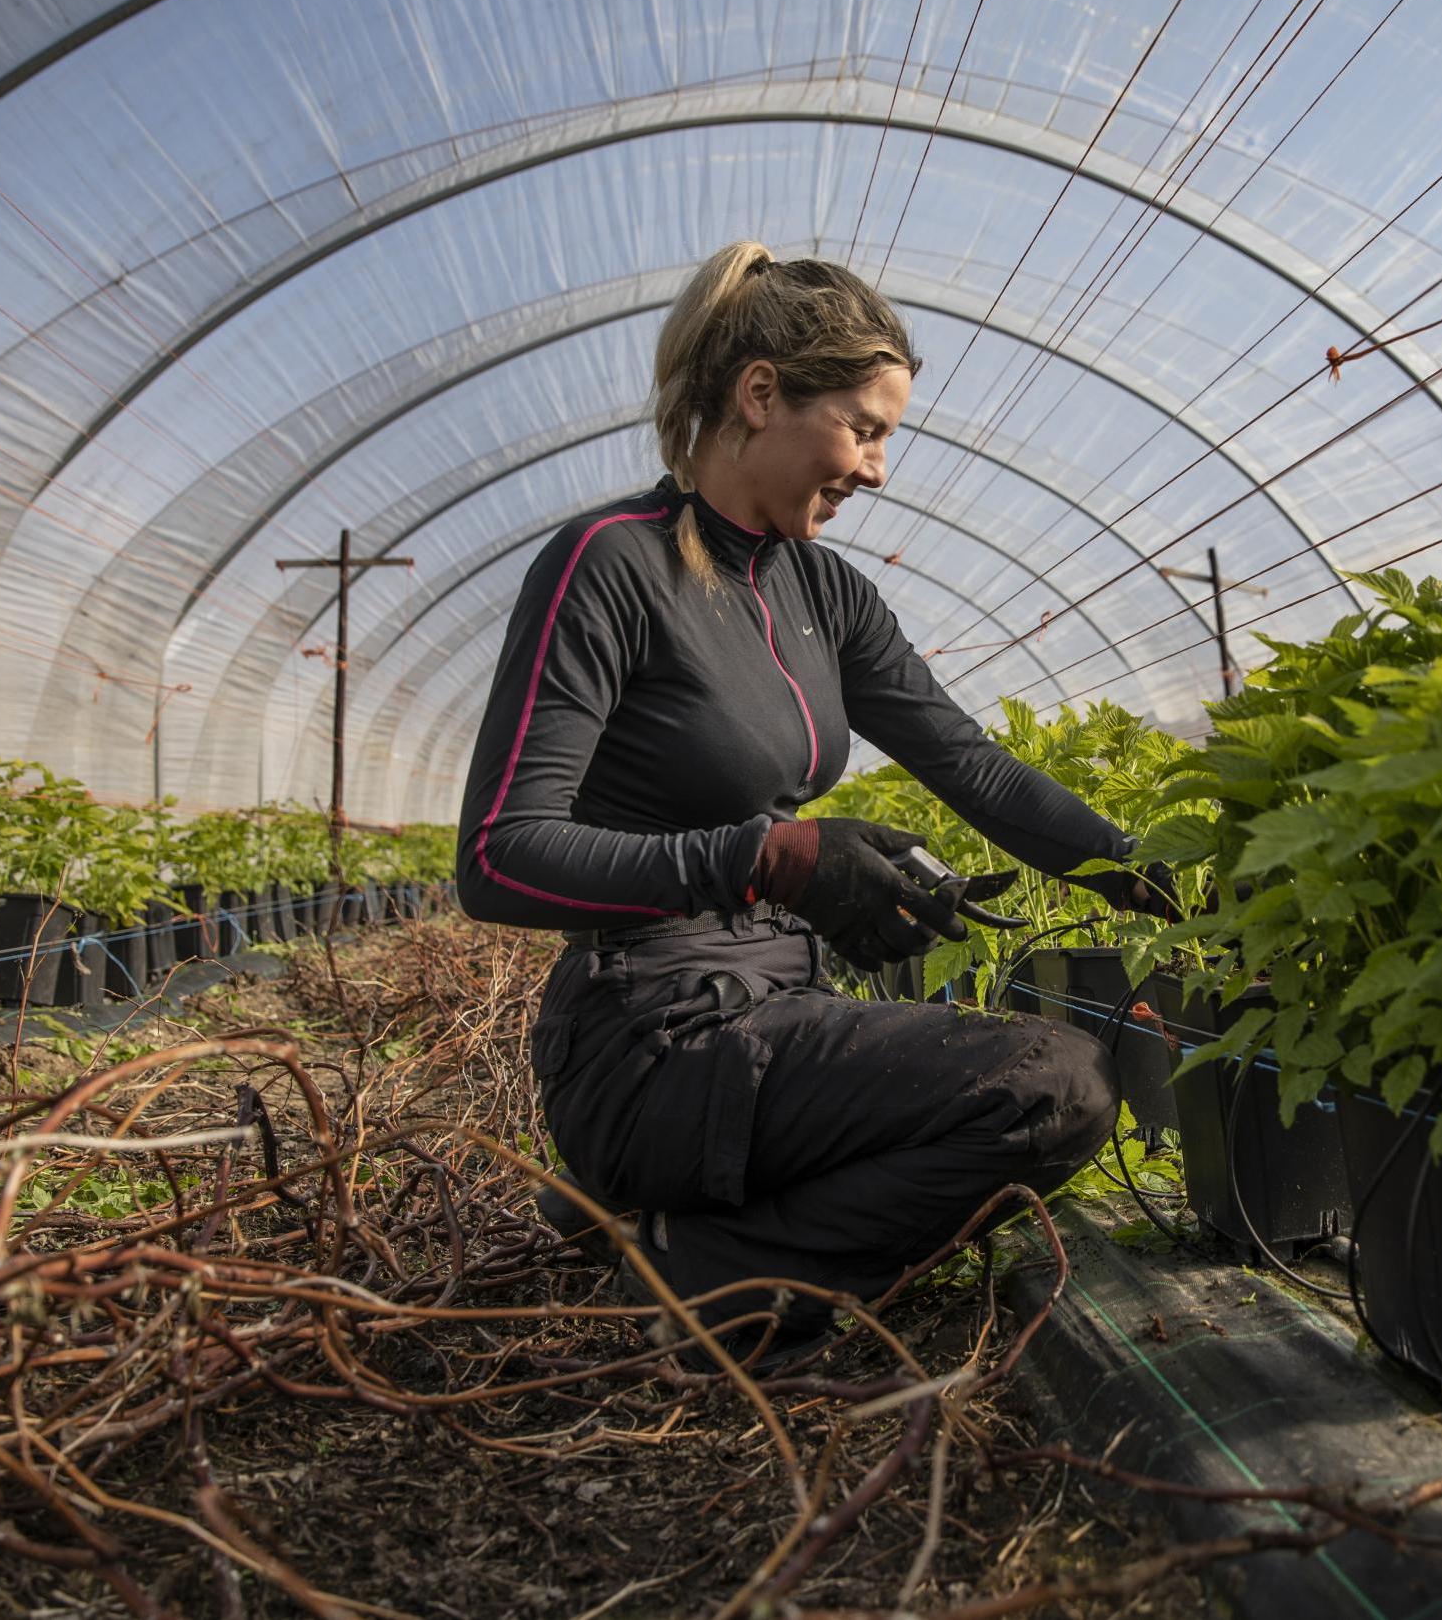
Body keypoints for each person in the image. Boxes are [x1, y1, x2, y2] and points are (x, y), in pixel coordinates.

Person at [454, 241, 1171, 1364]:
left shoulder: (826, 591)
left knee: (1024, 1078)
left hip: (776, 1017)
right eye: (863, 427)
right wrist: (771, 857)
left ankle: (673, 1232)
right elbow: (497, 858)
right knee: (1056, 1085)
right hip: (651, 1034)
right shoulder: (608, 565)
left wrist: (1165, 877)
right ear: (759, 394)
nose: (877, 469)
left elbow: (973, 769)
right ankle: (706, 1271)